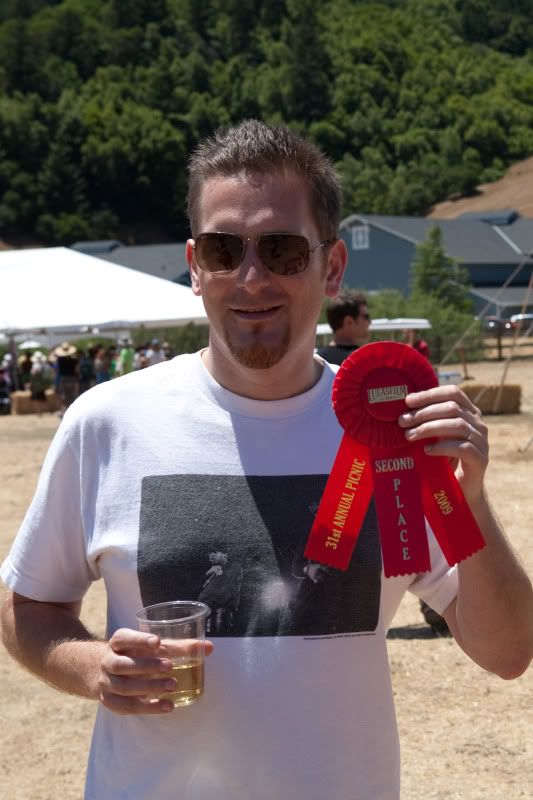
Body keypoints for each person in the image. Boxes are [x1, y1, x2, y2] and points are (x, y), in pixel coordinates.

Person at [1, 120, 532, 800]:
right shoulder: (107, 422)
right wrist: (93, 667)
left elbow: (506, 650)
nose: (251, 278)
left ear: (331, 267)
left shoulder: (391, 432)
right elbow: (27, 605)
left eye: (282, 250)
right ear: (196, 266)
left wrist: (470, 499)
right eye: (224, 250)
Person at [316, 289, 370, 365]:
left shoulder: (316, 361)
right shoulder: (364, 360)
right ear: (349, 321)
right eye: (366, 316)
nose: (369, 322)